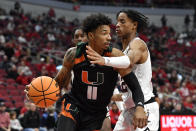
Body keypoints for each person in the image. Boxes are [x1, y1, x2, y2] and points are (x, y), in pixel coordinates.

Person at [26, 13, 147, 131]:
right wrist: (37, 93)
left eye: (109, 34)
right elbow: (58, 85)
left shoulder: (115, 55)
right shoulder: (73, 54)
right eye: (104, 33)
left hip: (97, 112)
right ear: (91, 35)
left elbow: (135, 86)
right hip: (75, 106)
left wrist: (140, 106)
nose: (109, 37)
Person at [86, 9, 159, 131]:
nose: (117, 25)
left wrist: (104, 60)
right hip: (128, 111)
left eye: (122, 21)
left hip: (144, 108)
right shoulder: (122, 52)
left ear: (134, 25)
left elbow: (128, 61)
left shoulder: (138, 44)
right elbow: (128, 94)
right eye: (117, 22)